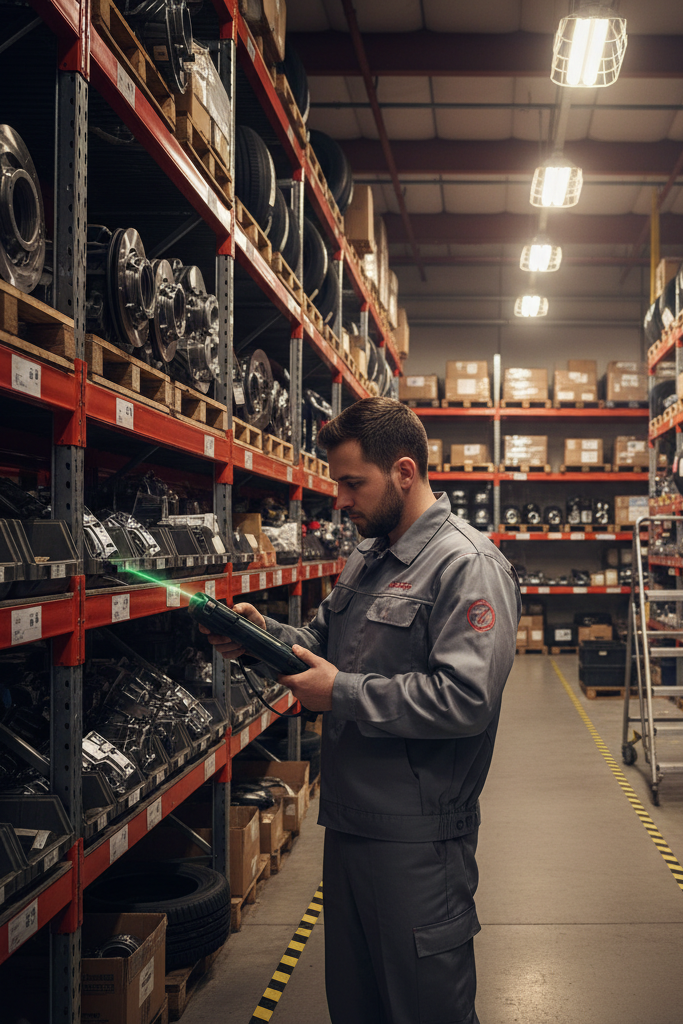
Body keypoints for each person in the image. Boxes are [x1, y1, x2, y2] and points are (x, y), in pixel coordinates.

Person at [202, 396, 521, 1024]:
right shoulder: (368, 555)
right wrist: (264, 636)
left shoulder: (468, 565)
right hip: (348, 825)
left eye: (353, 484)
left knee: (425, 1009)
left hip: (419, 840)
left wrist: (340, 693)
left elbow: (467, 700)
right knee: (357, 1004)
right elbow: (323, 645)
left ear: (404, 472)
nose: (341, 501)